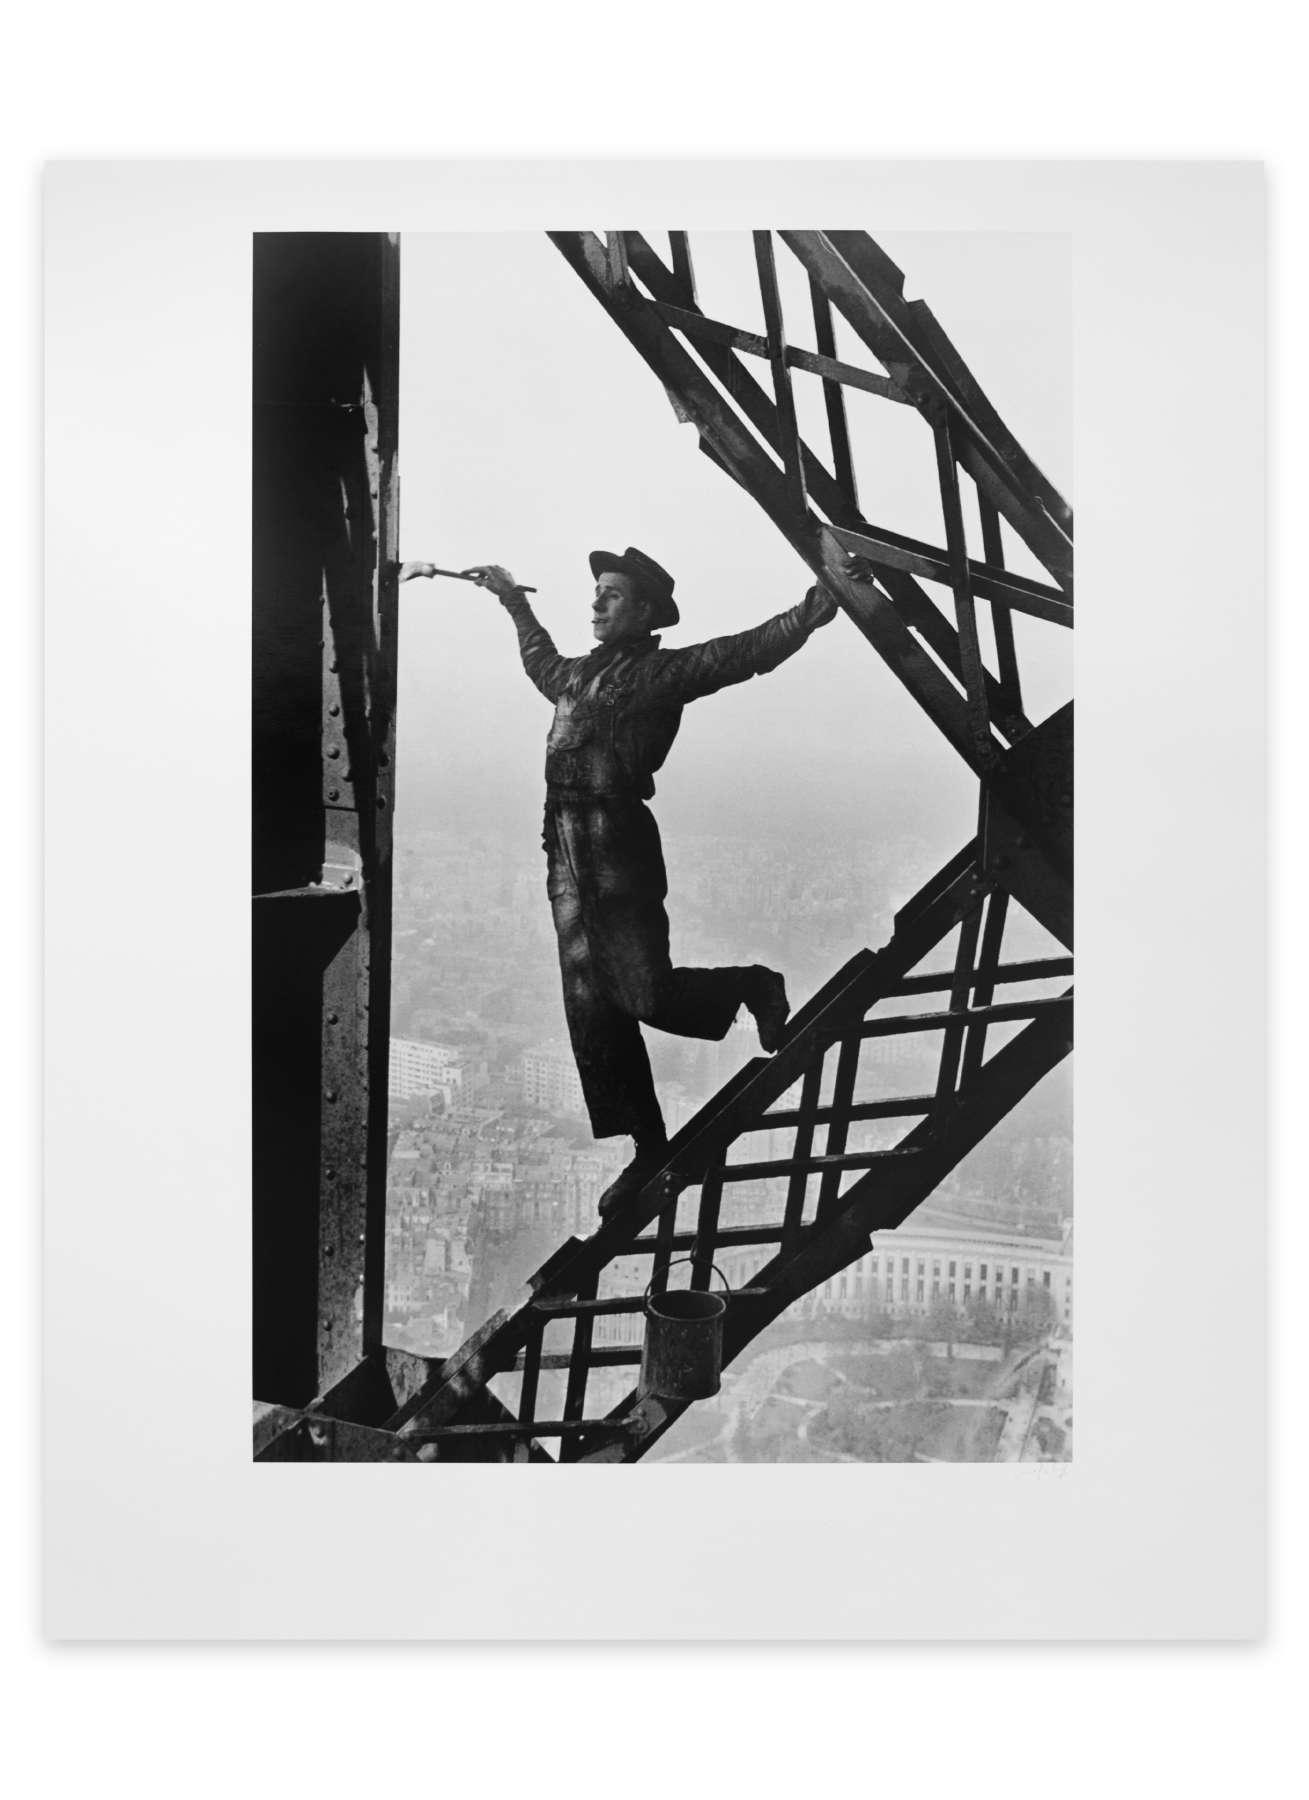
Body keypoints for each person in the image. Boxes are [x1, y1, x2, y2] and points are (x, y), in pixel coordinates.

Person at [415, 545, 847, 1212]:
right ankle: (648, 1146)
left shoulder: (660, 674)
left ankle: (751, 985)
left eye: (610, 594)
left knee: (642, 993)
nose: (594, 603)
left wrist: (813, 609)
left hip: (616, 847)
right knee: (592, 1012)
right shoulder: (575, 677)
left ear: (644, 611)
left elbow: (742, 653)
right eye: (596, 591)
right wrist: (509, 597)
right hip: (565, 850)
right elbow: (538, 658)